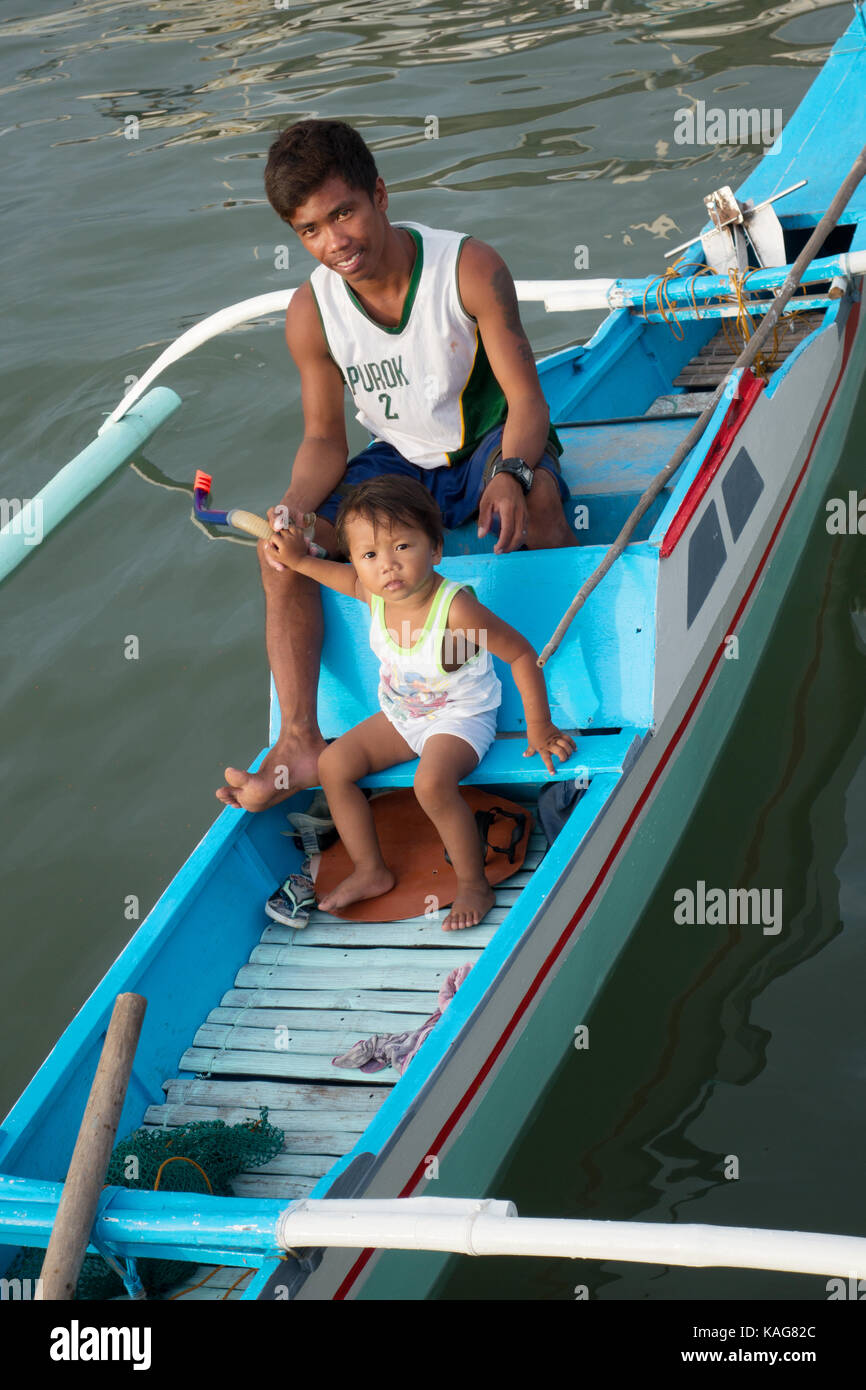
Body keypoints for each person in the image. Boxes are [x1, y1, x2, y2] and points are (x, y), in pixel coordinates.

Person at [217, 118, 578, 813]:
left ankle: (558, 705)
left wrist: (512, 471)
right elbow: (325, 438)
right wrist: (293, 506)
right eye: (310, 230)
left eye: (343, 213)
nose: (334, 243)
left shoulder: (469, 268)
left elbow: (530, 405)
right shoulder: (310, 311)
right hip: (397, 468)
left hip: (484, 446)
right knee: (281, 552)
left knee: (534, 505)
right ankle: (300, 739)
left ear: (379, 195)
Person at [266, 476, 576, 930]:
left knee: (431, 784)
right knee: (333, 765)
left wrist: (540, 727)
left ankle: (473, 883)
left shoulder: (454, 609)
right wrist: (295, 559)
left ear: (434, 549)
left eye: (402, 548)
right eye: (370, 555)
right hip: (404, 715)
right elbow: (330, 573)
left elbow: (521, 654)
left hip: (461, 718)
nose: (387, 566)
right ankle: (371, 870)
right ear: (355, 560)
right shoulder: (370, 593)